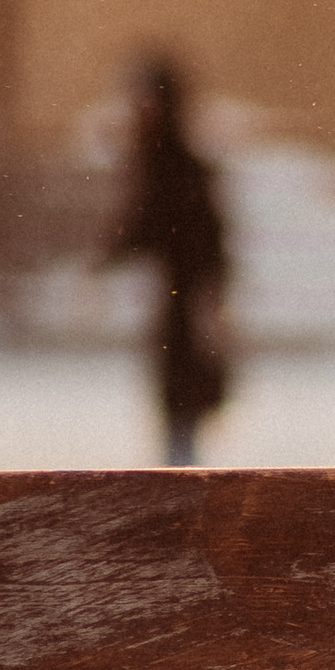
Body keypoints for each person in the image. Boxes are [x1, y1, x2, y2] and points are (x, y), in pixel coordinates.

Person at [108, 53, 228, 465]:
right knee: (177, 410)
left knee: (181, 406)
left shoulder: (173, 165)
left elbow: (187, 238)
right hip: (175, 300)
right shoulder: (161, 161)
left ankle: (181, 485)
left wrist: (207, 305)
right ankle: (180, 476)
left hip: (183, 302)